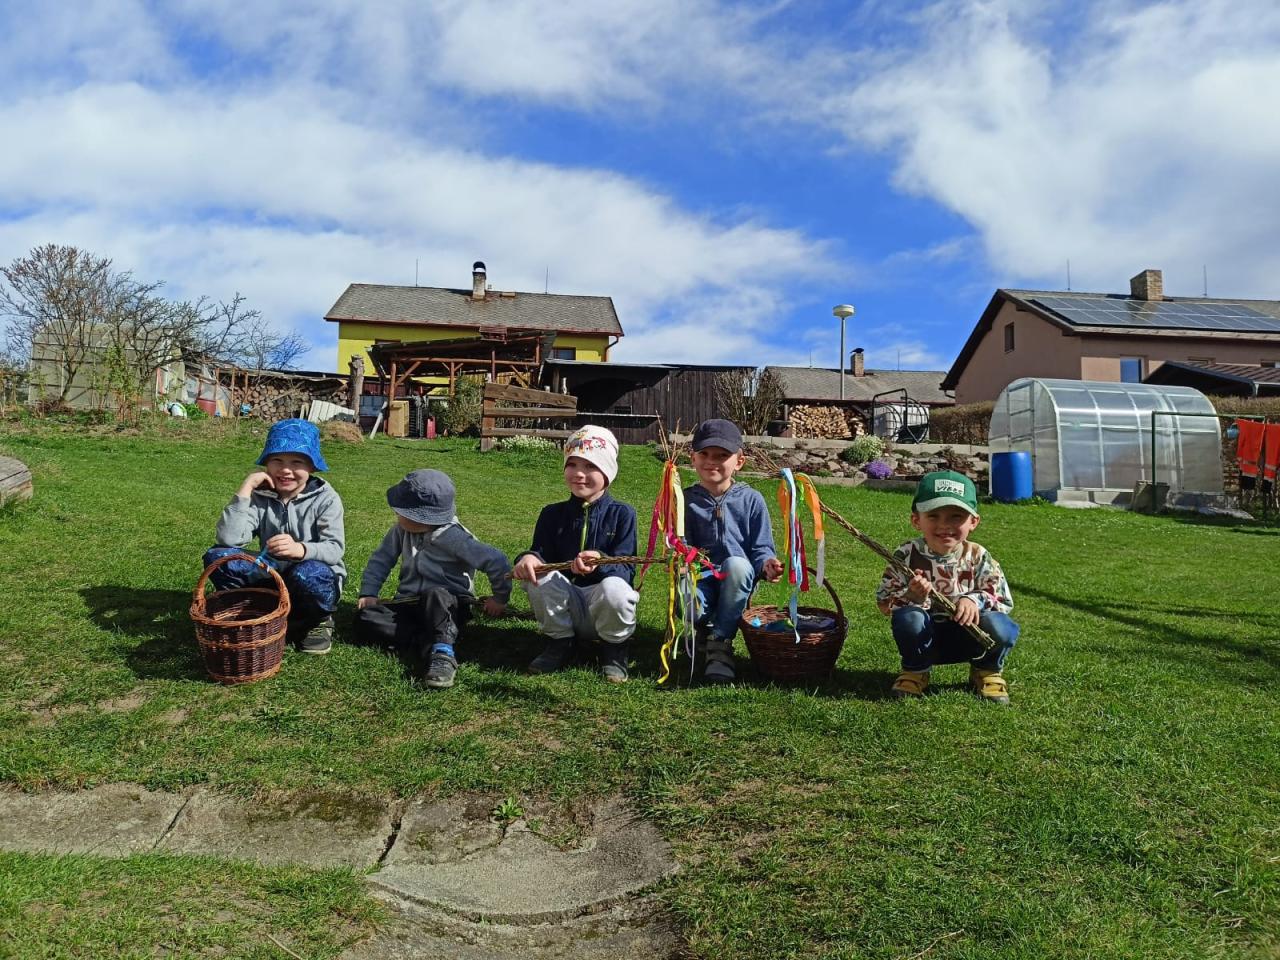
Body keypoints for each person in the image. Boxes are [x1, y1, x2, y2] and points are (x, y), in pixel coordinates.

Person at [354, 469, 510, 689]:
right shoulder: (400, 530)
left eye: (401, 512)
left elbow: (496, 560)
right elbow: (381, 560)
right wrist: (369, 592)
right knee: (365, 618)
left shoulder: (453, 537)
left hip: (448, 606)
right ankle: (430, 642)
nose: (396, 515)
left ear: (419, 517)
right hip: (409, 604)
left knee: (435, 594)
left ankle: (443, 655)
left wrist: (500, 598)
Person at [875, 470, 1019, 704]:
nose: (944, 525)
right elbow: (884, 601)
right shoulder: (906, 555)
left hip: (972, 636)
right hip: (925, 636)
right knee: (909, 618)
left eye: (956, 516)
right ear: (916, 520)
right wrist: (912, 596)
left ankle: (987, 670)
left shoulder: (978, 556)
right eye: (933, 516)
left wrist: (973, 600)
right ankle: (916, 671)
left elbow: (1001, 598)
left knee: (1001, 625)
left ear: (973, 522)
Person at [204, 418, 345, 654]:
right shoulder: (260, 496)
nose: (286, 470)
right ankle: (255, 609)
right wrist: (246, 488)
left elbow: (335, 548)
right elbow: (228, 539)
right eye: (277, 460)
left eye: (297, 462)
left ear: (312, 467)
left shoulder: (326, 499)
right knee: (218, 557)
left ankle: (318, 620)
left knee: (310, 574)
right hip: (270, 571)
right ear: (266, 464)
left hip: (312, 575)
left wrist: (301, 549)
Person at [512, 425, 638, 684]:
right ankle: (561, 642)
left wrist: (601, 562)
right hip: (565, 605)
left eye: (591, 466)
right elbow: (541, 553)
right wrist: (529, 558)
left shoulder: (623, 514)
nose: (579, 474)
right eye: (572, 464)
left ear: (608, 472)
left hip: (603, 606)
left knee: (616, 588)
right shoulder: (551, 514)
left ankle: (614, 648)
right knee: (538, 576)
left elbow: (627, 570)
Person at [683, 419, 784, 683]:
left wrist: (767, 564)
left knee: (737, 565)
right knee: (688, 603)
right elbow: (680, 543)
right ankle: (703, 629)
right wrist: (682, 559)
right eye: (704, 454)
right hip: (700, 576)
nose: (711, 461)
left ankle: (720, 642)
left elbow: (761, 547)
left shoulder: (751, 500)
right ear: (693, 458)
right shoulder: (684, 500)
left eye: (721, 455)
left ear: (739, 461)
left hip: (736, 579)